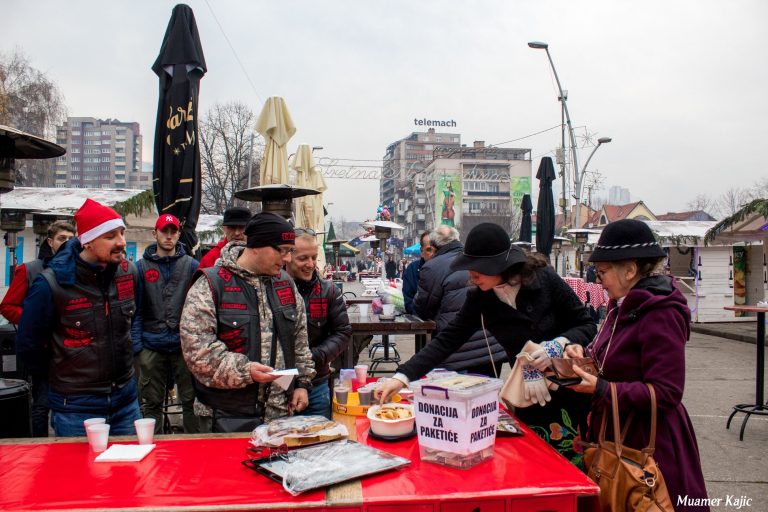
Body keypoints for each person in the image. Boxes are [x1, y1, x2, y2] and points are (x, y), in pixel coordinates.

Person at [378, 222, 596, 465]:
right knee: (533, 463)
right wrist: (402, 377)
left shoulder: (544, 279)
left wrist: (556, 345)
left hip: (571, 392)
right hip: (527, 393)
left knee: (572, 467)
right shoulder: (480, 297)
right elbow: (447, 340)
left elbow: (586, 324)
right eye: (469, 267)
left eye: (479, 268)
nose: (472, 275)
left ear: (501, 265)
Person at [567, 219, 709, 509]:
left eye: (603, 271)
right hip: (617, 431)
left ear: (630, 270)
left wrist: (602, 389)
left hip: (649, 444)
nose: (598, 279)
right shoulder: (620, 305)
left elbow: (667, 392)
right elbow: (612, 359)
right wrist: (584, 355)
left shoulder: (660, 313)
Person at [180, 212, 315, 432]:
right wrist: (246, 370)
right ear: (257, 246)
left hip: (278, 416)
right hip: (224, 416)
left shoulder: (285, 284)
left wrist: (302, 384)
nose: (288, 259)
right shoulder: (211, 284)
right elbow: (198, 353)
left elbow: (299, 340)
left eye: (290, 251)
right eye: (283, 251)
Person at [17, 199, 140, 436]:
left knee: (129, 471)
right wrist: (65, 376)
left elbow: (134, 319)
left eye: (122, 233)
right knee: (81, 472)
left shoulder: (129, 273)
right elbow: (28, 346)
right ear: (88, 242)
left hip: (126, 402)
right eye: (111, 236)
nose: (121, 242)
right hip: (76, 407)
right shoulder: (51, 284)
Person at [0, 219, 75, 437]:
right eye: (62, 239)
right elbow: (7, 306)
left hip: (70, 349)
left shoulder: (78, 269)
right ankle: (40, 446)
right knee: (42, 403)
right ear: (50, 241)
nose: (67, 243)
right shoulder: (30, 270)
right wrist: (36, 319)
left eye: (71, 239)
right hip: (43, 349)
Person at [132, 214, 200, 434]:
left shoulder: (190, 265)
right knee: (151, 402)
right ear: (155, 233)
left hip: (184, 345)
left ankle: (193, 448)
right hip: (152, 344)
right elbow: (137, 310)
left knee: (191, 401)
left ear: (179, 234)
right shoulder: (140, 268)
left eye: (173, 232)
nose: (169, 236)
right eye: (164, 231)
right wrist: (138, 348)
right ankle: (154, 448)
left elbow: (198, 307)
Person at [413, 225, 507, 376]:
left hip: (457, 351)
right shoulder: (475, 264)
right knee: (486, 394)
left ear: (434, 246)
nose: (473, 278)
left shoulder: (432, 267)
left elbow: (423, 308)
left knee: (460, 395)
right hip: (490, 347)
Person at [286, 231, 351, 418]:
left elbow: (342, 332)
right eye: (303, 258)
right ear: (287, 257)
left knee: (320, 441)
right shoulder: (273, 289)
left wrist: (316, 356)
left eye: (314, 257)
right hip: (281, 385)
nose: (311, 264)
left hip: (317, 381)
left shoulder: (328, 290)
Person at [402, 231, 433, 314]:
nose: (433, 254)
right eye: (429, 250)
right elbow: (409, 302)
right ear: (422, 252)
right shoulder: (412, 269)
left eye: (436, 249)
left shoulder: (448, 268)